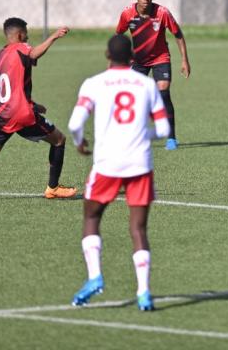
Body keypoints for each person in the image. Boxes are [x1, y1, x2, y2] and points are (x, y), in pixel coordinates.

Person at [69, 34, 170, 311]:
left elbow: (75, 122)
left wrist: (80, 143)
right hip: (140, 163)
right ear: (133, 56)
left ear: (107, 55)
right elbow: (163, 130)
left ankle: (94, 276)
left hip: (107, 164)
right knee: (138, 228)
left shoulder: (94, 84)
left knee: (91, 216)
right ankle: (144, 292)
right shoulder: (147, 84)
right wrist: (142, 133)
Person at [0, 18, 76, 202]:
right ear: (20, 35)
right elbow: (33, 54)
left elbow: (12, 85)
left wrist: (32, 104)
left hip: (0, 113)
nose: (27, 36)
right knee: (59, 140)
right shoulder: (22, 48)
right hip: (19, 114)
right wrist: (53, 37)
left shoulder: (2, 53)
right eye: (26, 33)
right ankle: (53, 188)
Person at [116, 0, 190, 150]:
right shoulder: (127, 14)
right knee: (133, 98)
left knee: (163, 94)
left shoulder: (162, 13)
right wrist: (119, 60)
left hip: (160, 58)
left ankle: (171, 138)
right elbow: (118, 36)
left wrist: (184, 60)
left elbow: (178, 35)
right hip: (138, 61)